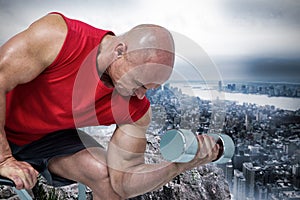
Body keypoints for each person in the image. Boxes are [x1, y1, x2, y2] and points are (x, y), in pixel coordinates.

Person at [0, 12, 220, 199]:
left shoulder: (135, 109)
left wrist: (179, 165)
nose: (142, 95)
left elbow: (122, 182)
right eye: (139, 83)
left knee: (107, 178)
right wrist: (4, 158)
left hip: (43, 139)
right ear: (119, 52)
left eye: (150, 88)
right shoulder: (58, 36)